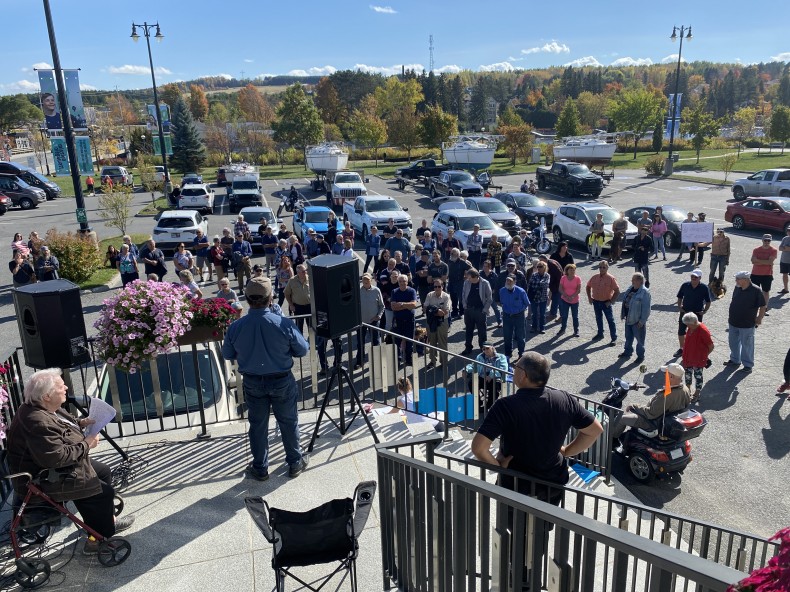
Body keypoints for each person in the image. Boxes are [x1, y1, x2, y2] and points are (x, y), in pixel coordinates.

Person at [6, 369, 135, 554]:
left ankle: (100, 522)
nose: (66, 387)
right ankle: (97, 541)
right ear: (47, 395)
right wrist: (87, 444)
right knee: (104, 493)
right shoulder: (37, 421)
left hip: (51, 469)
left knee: (104, 471)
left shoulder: (40, 406)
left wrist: (80, 423)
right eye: (60, 386)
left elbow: (62, 421)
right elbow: (56, 458)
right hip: (44, 478)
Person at [472, 351, 603, 502]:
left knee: (512, 525)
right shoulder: (565, 399)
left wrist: (498, 466)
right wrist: (567, 451)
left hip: (515, 484)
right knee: (545, 524)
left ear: (523, 375)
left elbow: (478, 448)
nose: (513, 369)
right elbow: (595, 430)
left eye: (516, 366)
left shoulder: (505, 406)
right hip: (552, 483)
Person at [222, 277, 310, 481]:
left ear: (247, 299)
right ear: (270, 298)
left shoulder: (236, 327)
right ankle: (295, 463)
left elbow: (228, 354)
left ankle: (260, 467)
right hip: (281, 380)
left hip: (253, 382)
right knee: (289, 422)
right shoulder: (283, 323)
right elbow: (302, 350)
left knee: (258, 425)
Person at [610, 363, 690, 439]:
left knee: (621, 418)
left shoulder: (667, 395)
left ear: (671, 377)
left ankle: (610, 441)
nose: (664, 375)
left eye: (666, 373)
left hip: (652, 423)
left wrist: (634, 406)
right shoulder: (685, 389)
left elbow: (651, 413)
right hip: (668, 421)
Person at [725, 271, 766, 373]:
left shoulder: (756, 290)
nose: (736, 280)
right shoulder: (737, 287)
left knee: (747, 345)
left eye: (738, 279)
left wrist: (759, 318)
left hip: (747, 323)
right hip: (733, 321)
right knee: (733, 343)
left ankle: (748, 365)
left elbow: (762, 306)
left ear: (746, 280)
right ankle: (735, 360)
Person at [674, 269, 712, 357]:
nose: (693, 278)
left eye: (695, 277)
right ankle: (682, 349)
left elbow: (708, 301)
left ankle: (694, 349)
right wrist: (679, 307)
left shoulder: (704, 288)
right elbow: (680, 297)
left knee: (696, 332)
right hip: (685, 312)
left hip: (697, 314)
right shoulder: (685, 285)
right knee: (681, 331)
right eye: (692, 276)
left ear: (700, 278)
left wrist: (704, 311)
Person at [465, 342, 509, 412]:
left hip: (495, 378)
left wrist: (491, 375)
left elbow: (503, 369)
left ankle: (488, 406)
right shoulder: (480, 356)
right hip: (483, 377)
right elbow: (473, 366)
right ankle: (478, 402)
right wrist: (466, 370)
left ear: (493, 348)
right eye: (483, 349)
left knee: (494, 387)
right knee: (472, 383)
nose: (485, 350)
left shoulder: (501, 357)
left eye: (487, 348)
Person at [680, 312, 714, 402]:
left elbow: (711, 346)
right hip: (688, 357)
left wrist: (704, 355)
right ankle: (687, 392)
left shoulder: (703, 330)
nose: (687, 326)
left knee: (698, 377)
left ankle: (697, 394)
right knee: (688, 376)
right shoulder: (691, 327)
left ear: (695, 322)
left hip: (698, 359)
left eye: (688, 325)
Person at [618, 272, 651, 362]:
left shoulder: (645, 292)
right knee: (628, 337)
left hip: (637, 321)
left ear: (640, 281)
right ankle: (628, 352)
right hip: (628, 318)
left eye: (633, 280)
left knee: (639, 340)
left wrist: (642, 321)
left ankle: (640, 356)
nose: (631, 281)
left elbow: (646, 309)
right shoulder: (630, 288)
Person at [585, 260, 620, 345]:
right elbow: (588, 287)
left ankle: (614, 338)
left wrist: (611, 301)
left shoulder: (611, 278)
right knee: (598, 318)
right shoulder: (594, 277)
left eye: (604, 267)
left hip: (606, 302)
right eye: (600, 267)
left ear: (607, 268)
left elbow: (617, 291)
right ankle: (600, 334)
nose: (602, 269)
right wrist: (589, 298)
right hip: (596, 302)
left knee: (610, 320)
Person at [461, 269, 493, 355]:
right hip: (469, 310)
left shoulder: (485, 283)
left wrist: (484, 310)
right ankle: (468, 347)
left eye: (469, 277)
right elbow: (463, 295)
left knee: (482, 331)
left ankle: (483, 349)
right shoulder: (467, 283)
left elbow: (489, 298)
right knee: (468, 330)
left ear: (475, 277)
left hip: (480, 310)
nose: (468, 279)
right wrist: (465, 306)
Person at [356, 273, 384, 369]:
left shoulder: (376, 290)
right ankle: (360, 361)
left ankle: (377, 361)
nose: (366, 281)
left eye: (367, 279)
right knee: (360, 342)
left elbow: (381, 306)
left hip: (374, 321)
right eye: (364, 279)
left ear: (371, 280)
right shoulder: (358, 290)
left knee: (375, 341)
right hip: (361, 322)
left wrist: (379, 316)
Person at [390, 275, 419, 366]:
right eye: (400, 281)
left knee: (409, 341)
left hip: (409, 320)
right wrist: (407, 306)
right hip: (398, 321)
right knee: (397, 341)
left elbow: (414, 305)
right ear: (398, 282)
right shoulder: (394, 291)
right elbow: (393, 307)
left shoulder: (412, 291)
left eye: (404, 281)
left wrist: (401, 304)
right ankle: (397, 360)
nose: (402, 283)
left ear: (407, 282)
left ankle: (408, 359)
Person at [500, 275, 529, 359]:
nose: (508, 283)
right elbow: (502, 302)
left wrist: (519, 310)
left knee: (520, 336)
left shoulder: (521, 291)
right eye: (507, 281)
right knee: (507, 336)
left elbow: (527, 303)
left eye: (510, 281)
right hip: (507, 316)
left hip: (519, 316)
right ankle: (508, 354)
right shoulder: (502, 291)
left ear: (515, 282)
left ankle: (521, 354)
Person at [423, 279, 451, 368]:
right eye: (435, 286)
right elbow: (424, 309)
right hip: (431, 322)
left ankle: (444, 362)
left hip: (442, 322)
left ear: (442, 287)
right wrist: (437, 310)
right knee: (432, 342)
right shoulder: (429, 295)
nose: (437, 288)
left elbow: (445, 312)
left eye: (439, 286)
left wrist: (431, 310)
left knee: (442, 342)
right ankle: (432, 361)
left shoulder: (446, 296)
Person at [751, 234, 777, 315]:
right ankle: (753, 308)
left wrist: (758, 261)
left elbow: (770, 262)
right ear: (762, 240)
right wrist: (765, 262)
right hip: (755, 273)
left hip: (767, 274)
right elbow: (752, 261)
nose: (767, 242)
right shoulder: (756, 249)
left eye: (768, 241)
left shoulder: (773, 250)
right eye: (765, 240)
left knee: (765, 291)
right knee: (754, 292)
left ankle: (764, 308)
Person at [285, 264, 311, 333]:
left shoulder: (310, 279)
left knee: (311, 327)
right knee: (299, 327)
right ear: (298, 273)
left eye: (305, 270)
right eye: (303, 271)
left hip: (309, 306)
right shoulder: (292, 281)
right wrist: (291, 305)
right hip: (298, 307)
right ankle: (300, 342)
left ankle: (312, 342)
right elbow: (286, 293)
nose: (305, 272)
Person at [527, 260, 550, 334]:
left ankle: (542, 328)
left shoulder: (547, 275)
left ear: (544, 267)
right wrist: (540, 284)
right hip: (534, 297)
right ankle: (534, 327)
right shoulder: (534, 275)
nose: (539, 268)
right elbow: (531, 284)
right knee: (534, 313)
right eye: (538, 266)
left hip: (543, 298)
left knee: (542, 314)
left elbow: (546, 284)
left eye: (540, 266)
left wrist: (538, 284)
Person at [558, 263, 581, 337]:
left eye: (573, 270)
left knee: (575, 316)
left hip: (575, 300)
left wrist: (572, 296)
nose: (572, 271)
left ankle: (576, 330)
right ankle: (563, 329)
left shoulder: (578, 279)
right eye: (571, 270)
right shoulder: (563, 278)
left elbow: (578, 290)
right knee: (564, 316)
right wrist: (566, 296)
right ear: (567, 271)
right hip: (564, 300)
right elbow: (560, 289)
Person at [447, 248, 470, 318]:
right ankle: (454, 311)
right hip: (451, 282)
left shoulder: (462, 262)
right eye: (451, 253)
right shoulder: (449, 261)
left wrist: (466, 276)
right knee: (453, 298)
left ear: (457, 255)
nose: (451, 255)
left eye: (452, 253)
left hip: (460, 282)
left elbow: (470, 268)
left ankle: (461, 312)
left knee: (460, 298)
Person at [541, 254, 564, 322]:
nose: (540, 263)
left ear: (544, 260)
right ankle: (554, 313)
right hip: (556, 284)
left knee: (557, 300)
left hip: (557, 285)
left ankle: (559, 315)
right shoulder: (551, 261)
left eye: (541, 261)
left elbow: (558, 275)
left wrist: (557, 284)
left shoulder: (551, 265)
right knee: (555, 299)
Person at [480, 260, 501, 327]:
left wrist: (494, 290)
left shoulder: (494, 275)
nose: (484, 268)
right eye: (484, 266)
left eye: (486, 266)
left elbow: (497, 284)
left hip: (492, 295)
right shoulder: (480, 274)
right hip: (483, 295)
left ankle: (499, 321)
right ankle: (483, 323)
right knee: (483, 310)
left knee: (496, 309)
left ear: (490, 267)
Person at [779, 225, 790, 295]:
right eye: (788, 230)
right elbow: (780, 248)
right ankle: (786, 289)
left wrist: (786, 248)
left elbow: (787, 248)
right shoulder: (785, 238)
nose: (789, 232)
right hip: (784, 260)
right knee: (784, 274)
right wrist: (786, 248)